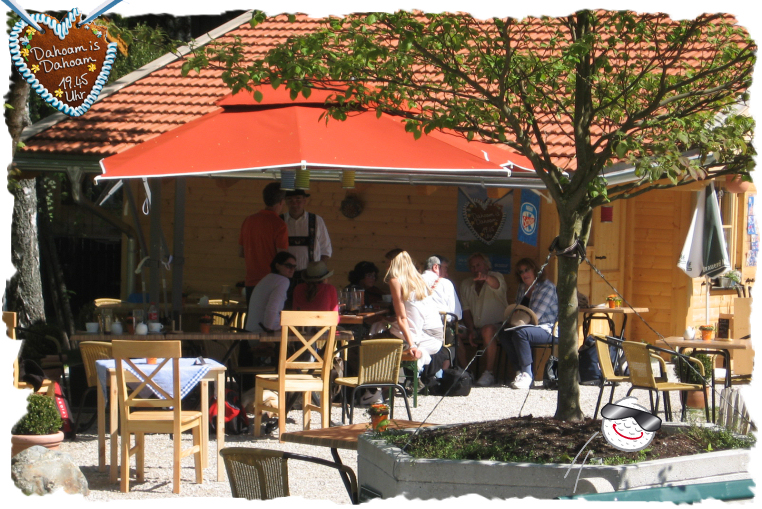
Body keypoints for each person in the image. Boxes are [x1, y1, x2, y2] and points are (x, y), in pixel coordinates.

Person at [499, 257, 558, 389]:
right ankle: (519, 371)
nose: (524, 274)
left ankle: (527, 373)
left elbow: (535, 316)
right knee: (504, 333)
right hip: (527, 326)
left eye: (527, 270)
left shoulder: (546, 287)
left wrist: (518, 321)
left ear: (535, 270)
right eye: (521, 272)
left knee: (521, 333)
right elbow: (518, 310)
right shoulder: (522, 287)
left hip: (549, 328)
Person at [385, 251, 444, 374]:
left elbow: (402, 318)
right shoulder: (418, 279)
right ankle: (418, 362)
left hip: (424, 336)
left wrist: (412, 345)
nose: (386, 268)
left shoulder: (395, 281)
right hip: (437, 338)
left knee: (378, 340)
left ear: (394, 265)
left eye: (388, 264)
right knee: (387, 330)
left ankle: (380, 383)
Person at [459, 252, 508, 387]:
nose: (476, 269)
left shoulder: (497, 276)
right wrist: (470, 329)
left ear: (487, 266)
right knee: (453, 332)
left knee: (487, 330)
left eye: (478, 265)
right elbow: (466, 310)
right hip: (475, 328)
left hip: (498, 327)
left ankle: (489, 373)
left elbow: (496, 284)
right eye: (472, 266)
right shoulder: (466, 284)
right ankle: (466, 372)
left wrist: (485, 277)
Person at [239, 182, 289, 304]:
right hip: (271, 282)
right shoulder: (279, 224)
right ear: (281, 202)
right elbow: (282, 257)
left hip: (251, 282)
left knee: (252, 314)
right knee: (270, 315)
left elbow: (241, 252)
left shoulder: (248, 220)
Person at [281, 190, 332, 278]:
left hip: (311, 276)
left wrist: (319, 271)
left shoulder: (316, 220)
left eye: (298, 199)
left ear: (304, 200)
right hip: (285, 276)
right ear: (285, 201)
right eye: (290, 200)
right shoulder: (280, 221)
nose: (294, 203)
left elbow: (326, 250)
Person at [244, 252, 297, 334]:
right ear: (277, 266)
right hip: (263, 331)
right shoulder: (283, 281)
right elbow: (272, 307)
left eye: (294, 267)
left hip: (252, 330)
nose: (292, 270)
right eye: (288, 266)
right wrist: (268, 330)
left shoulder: (268, 278)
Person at [421, 255, 462, 321]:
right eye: (445, 268)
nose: (446, 274)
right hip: (439, 325)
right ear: (435, 267)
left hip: (417, 324)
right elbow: (457, 314)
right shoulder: (446, 283)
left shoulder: (414, 281)